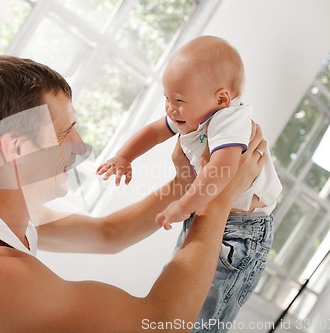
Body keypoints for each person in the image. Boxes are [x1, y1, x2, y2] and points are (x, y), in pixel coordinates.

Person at [0, 55, 267, 333]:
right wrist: (219, 201)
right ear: (16, 149)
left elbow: (108, 234)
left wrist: (185, 184)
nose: (81, 147)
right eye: (66, 132)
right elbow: (160, 324)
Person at [97, 35, 282, 331]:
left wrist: (184, 204)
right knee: (178, 302)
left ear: (221, 99)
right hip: (210, 214)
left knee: (202, 317)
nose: (170, 109)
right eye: (167, 97)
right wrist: (123, 157)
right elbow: (154, 132)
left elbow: (221, 171)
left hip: (241, 231)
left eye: (178, 100)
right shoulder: (193, 114)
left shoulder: (229, 120)